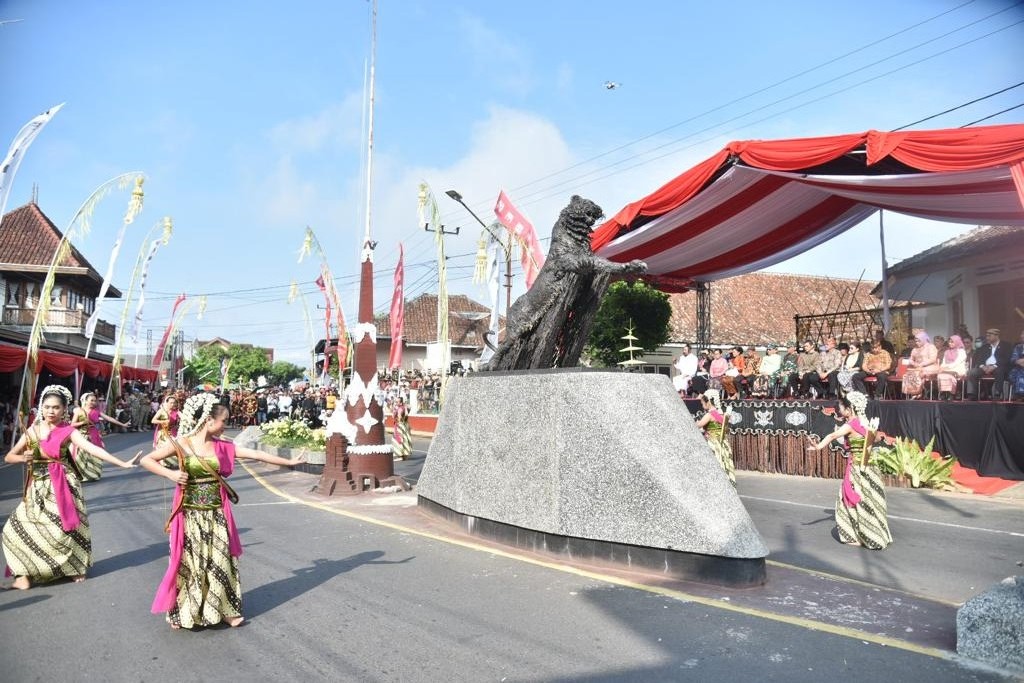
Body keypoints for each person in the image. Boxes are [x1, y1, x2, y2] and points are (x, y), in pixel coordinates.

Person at [140, 392, 306, 629]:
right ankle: (184, 610)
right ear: (208, 421)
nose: (224, 426)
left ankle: (225, 609)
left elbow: (255, 453)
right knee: (192, 562)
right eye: (223, 421)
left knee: (220, 560)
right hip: (190, 514)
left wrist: (288, 462)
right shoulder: (181, 444)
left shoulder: (222, 446)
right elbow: (147, 460)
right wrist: (171, 474)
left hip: (217, 513)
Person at [2, 385, 138, 590]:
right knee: (14, 528)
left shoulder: (68, 431)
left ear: (64, 408)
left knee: (65, 530)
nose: (51, 411)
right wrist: (24, 457)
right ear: (41, 408)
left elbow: (92, 448)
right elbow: (9, 456)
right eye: (47, 407)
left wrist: (122, 462)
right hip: (36, 487)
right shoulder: (33, 430)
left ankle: (74, 567)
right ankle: (23, 574)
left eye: (56, 407)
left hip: (64, 486)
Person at [807, 391, 892, 550]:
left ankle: (858, 537)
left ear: (850, 408)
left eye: (841, 406)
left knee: (849, 500)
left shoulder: (851, 424)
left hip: (857, 469)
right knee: (871, 500)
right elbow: (875, 439)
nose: (839, 409)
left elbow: (832, 436)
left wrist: (818, 446)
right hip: (871, 468)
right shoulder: (865, 422)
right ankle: (876, 535)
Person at [70, 392, 130, 481]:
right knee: (81, 457)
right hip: (82, 436)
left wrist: (122, 424)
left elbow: (109, 418)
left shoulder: (96, 411)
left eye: (95, 401)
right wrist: (83, 422)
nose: (93, 402)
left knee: (95, 455)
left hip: (94, 435)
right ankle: (80, 475)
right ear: (85, 401)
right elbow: (72, 425)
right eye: (91, 400)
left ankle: (93, 475)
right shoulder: (79, 411)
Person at [694, 389, 735, 486]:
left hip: (712, 443)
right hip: (723, 443)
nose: (702, 405)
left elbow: (698, 425)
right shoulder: (722, 414)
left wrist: (695, 422)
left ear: (708, 402)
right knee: (723, 465)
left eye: (703, 402)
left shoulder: (709, 415)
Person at [965, 328, 1013, 400]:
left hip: (998, 367)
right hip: (985, 367)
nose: (987, 338)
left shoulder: (1006, 346)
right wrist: (982, 366)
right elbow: (979, 359)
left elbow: (1006, 359)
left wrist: (994, 366)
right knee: (972, 372)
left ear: (996, 336)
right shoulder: (985, 347)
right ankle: (975, 394)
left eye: (989, 336)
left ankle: (997, 393)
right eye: (987, 336)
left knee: (999, 371)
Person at [902, 331, 938, 399]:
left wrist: (922, 364)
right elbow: (911, 359)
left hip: (930, 367)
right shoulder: (915, 349)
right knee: (908, 373)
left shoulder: (931, 347)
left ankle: (918, 393)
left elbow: (933, 359)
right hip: (917, 367)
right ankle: (912, 393)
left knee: (918, 372)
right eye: (916, 341)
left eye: (919, 341)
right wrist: (913, 363)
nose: (917, 343)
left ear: (924, 339)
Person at [936, 334, 967, 401]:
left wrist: (947, 368)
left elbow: (957, 363)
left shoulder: (961, 351)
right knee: (940, 375)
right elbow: (944, 362)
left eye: (952, 342)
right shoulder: (946, 352)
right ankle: (943, 392)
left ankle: (951, 393)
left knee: (949, 374)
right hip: (947, 368)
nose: (950, 343)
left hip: (958, 368)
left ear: (957, 342)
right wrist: (942, 367)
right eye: (949, 342)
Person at [392, 396, 412, 461]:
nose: (396, 403)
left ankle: (400, 455)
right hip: (404, 425)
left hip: (399, 426)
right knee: (404, 439)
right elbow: (406, 414)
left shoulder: (399, 409)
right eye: (396, 401)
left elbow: (398, 417)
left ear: (400, 403)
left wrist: (395, 412)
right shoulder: (404, 408)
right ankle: (404, 455)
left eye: (397, 402)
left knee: (398, 439)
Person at [1009, 329, 1024, 401]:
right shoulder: (1018, 347)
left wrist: (1022, 360)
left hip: (1021, 368)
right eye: (1022, 334)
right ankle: (1020, 395)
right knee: (1015, 373)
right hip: (1019, 368)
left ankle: (1020, 395)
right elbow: (1014, 359)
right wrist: (1020, 362)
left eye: (1023, 334)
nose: (1021, 336)